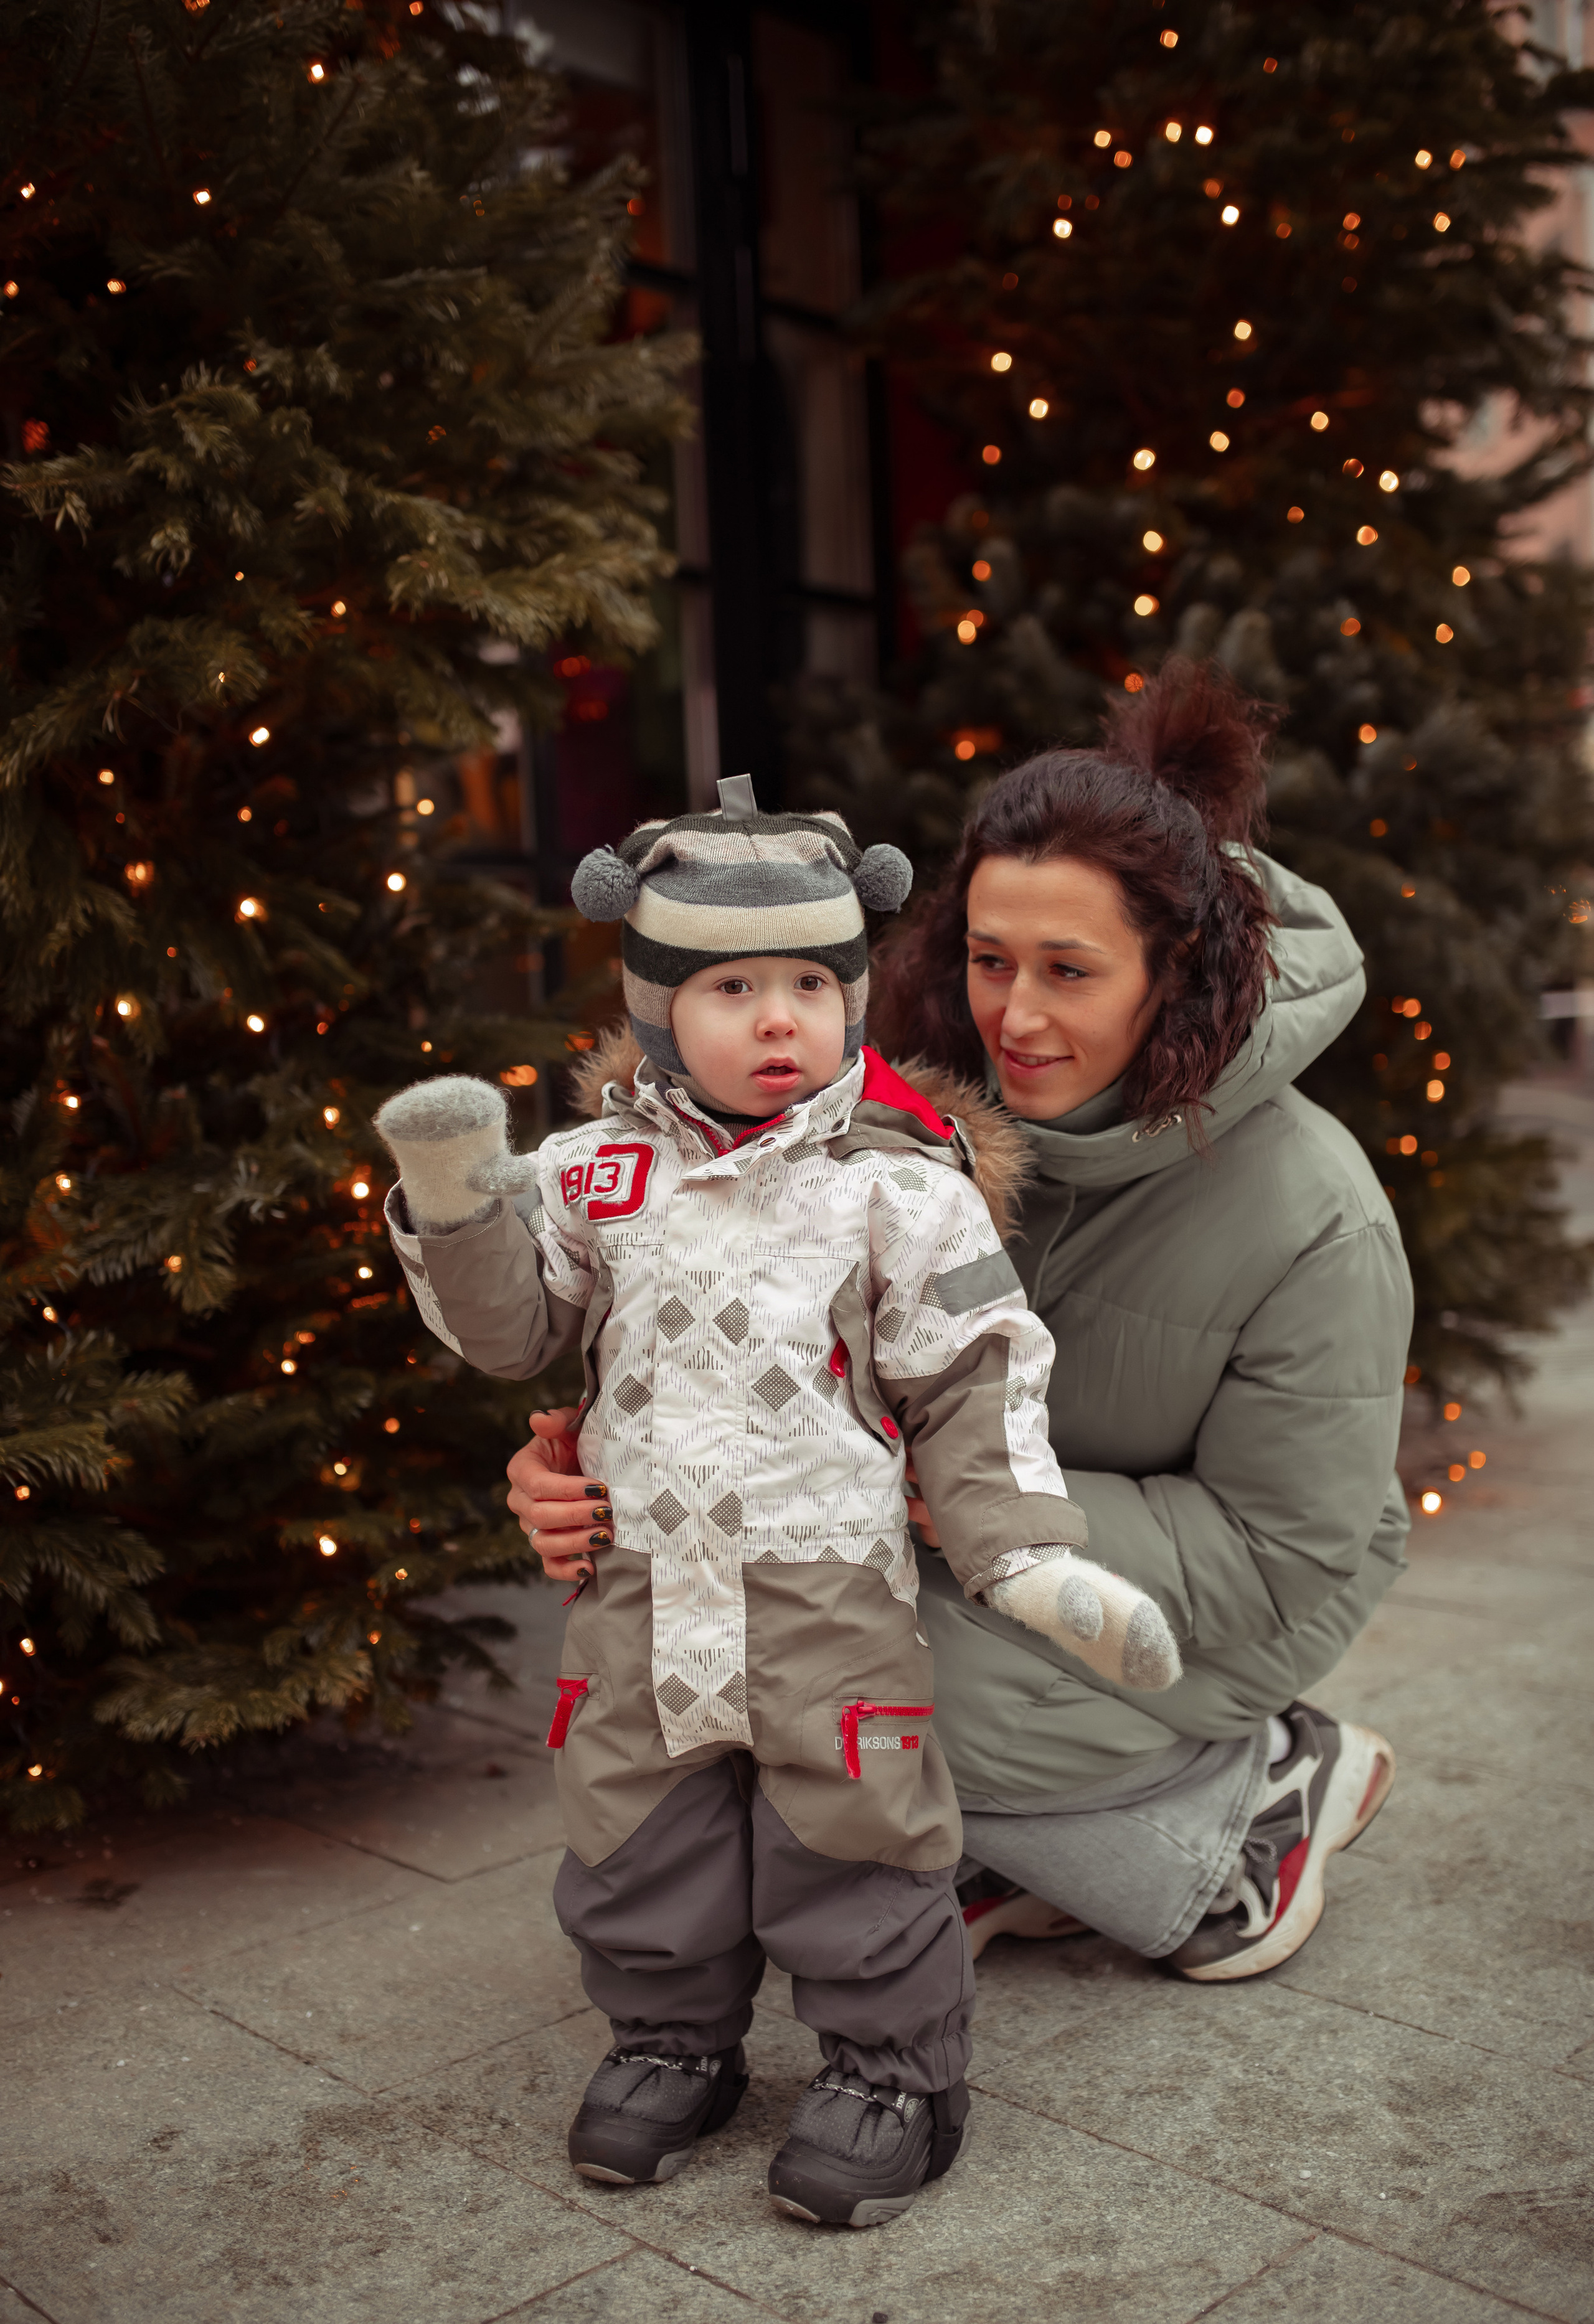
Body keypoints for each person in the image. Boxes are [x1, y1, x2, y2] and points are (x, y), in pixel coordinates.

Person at [514, 662, 1406, 1992]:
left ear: (1181, 971)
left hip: (1223, 1604)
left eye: (1069, 971)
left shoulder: (1315, 1214)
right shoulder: (903, 1109)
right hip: (949, 1538)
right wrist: (585, 1468)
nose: (1016, 1017)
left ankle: (1247, 1809)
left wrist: (962, 1487)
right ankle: (985, 1855)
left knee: (851, 1709)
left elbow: (1284, 1553)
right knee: (704, 1669)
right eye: (989, 961)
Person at [372, 774, 1177, 2230]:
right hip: (637, 1590)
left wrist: (1022, 1559)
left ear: (853, 993)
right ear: (653, 1000)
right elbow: (510, 1337)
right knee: (638, 1830)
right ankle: (670, 2042)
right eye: (731, 986)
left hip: (826, 1591)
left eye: (811, 982)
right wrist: (456, 1202)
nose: (777, 1019)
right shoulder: (594, 1175)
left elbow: (975, 1374)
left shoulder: (898, 1190)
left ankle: (893, 2075)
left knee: (850, 1828)